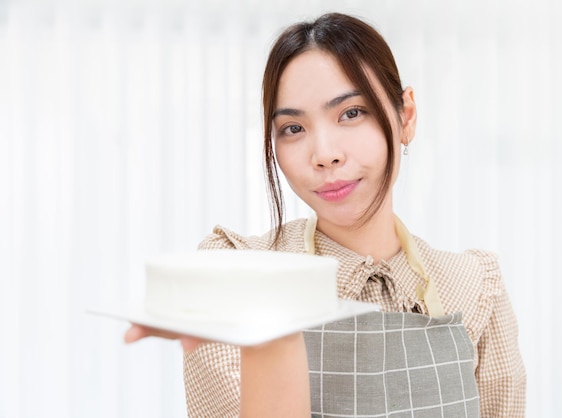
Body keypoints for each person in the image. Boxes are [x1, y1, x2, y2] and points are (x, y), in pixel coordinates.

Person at [125, 12, 526, 417]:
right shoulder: (235, 272)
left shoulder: (475, 286)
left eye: (351, 113)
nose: (324, 154)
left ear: (406, 115)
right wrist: (277, 332)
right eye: (293, 128)